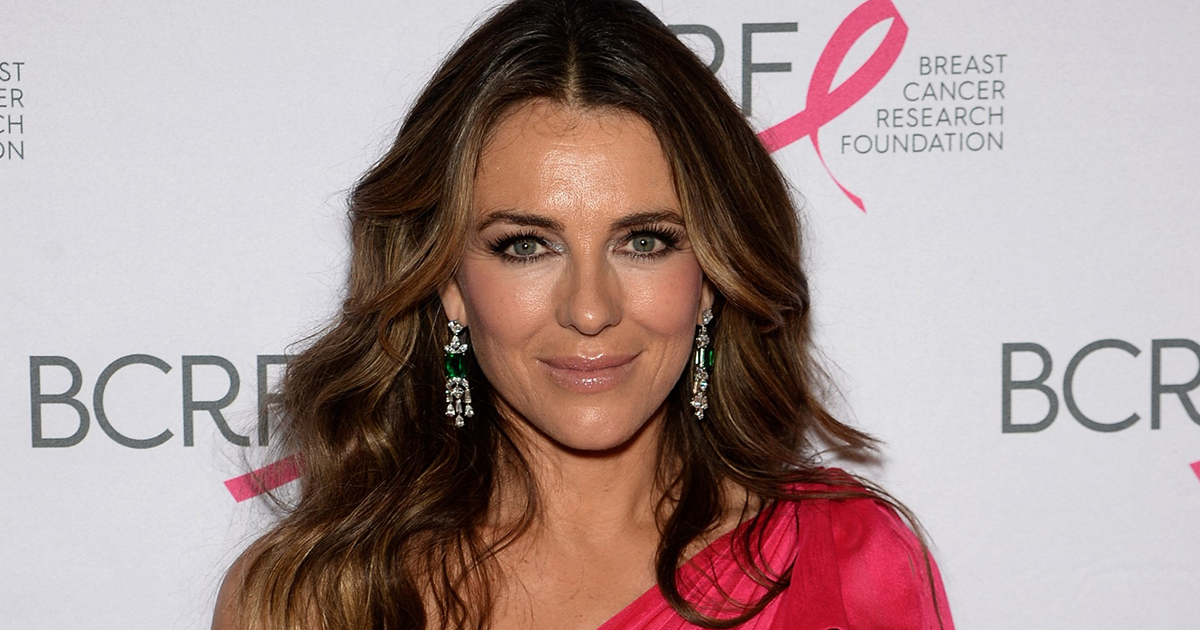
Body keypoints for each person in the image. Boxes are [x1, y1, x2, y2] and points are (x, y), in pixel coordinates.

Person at [213, 0, 954, 628]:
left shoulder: (847, 565)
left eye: (645, 242)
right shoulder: (317, 599)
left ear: (710, 276)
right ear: (446, 280)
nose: (591, 310)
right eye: (526, 245)